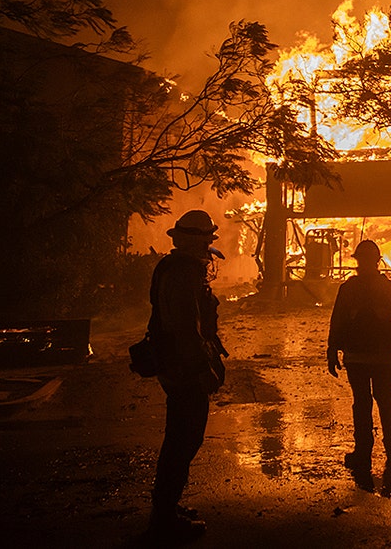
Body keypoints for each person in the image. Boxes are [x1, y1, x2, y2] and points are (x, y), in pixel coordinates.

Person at [146, 210, 228, 543]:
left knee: (182, 439)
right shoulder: (182, 276)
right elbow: (186, 328)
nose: (209, 248)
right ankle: (164, 518)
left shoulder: (179, 270)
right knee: (183, 440)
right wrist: (201, 369)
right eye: (207, 240)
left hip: (179, 365)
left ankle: (168, 507)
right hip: (184, 369)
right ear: (196, 242)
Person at [327, 239, 391, 483]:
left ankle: (364, 453)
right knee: (383, 400)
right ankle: (390, 450)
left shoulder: (349, 288)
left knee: (363, 402)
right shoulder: (386, 288)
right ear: (377, 261)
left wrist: (332, 350)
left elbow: (338, 321)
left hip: (358, 356)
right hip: (378, 355)